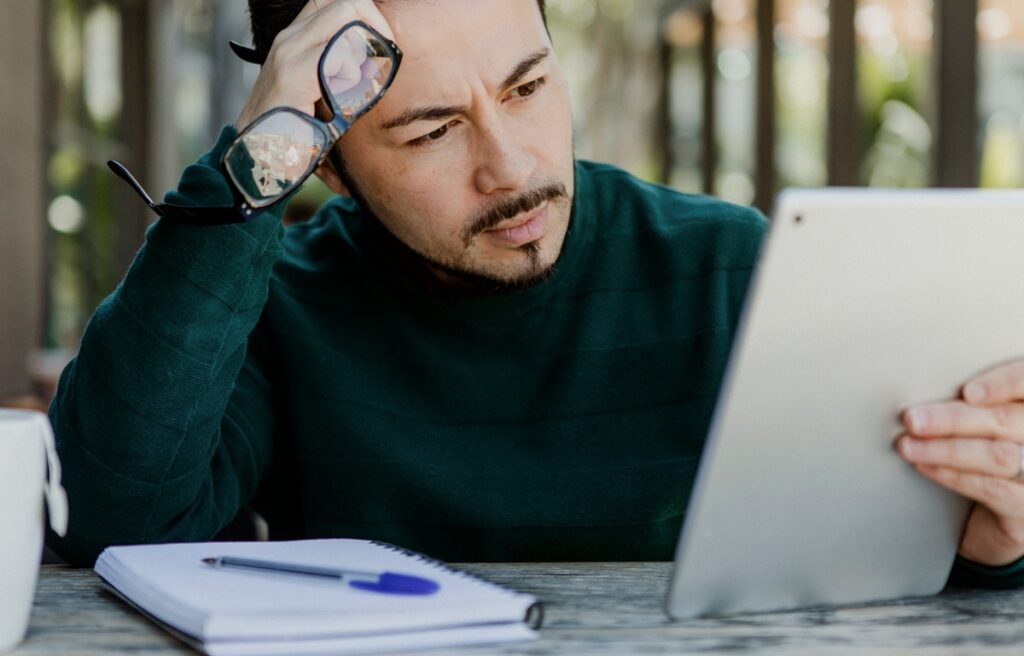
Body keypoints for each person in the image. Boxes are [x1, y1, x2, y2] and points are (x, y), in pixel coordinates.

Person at [47, 0, 1024, 589]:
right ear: (330, 169)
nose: (511, 167)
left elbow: (898, 565)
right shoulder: (279, 306)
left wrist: (991, 538)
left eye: (526, 87)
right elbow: (113, 517)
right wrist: (255, 160)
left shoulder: (738, 271)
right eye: (430, 132)